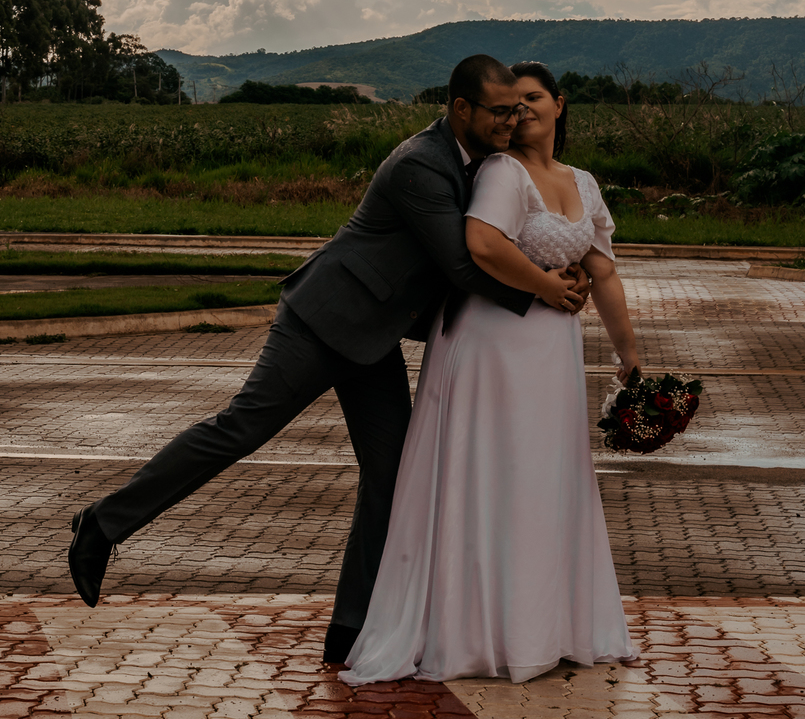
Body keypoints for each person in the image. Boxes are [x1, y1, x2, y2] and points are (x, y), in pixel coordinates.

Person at [66, 54, 591, 665]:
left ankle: (350, 628)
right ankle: (103, 524)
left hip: (374, 339)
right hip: (322, 322)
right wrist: (545, 291)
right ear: (460, 109)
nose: (511, 120)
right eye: (498, 112)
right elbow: (460, 264)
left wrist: (559, 266)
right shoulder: (421, 164)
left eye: (515, 110)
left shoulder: (479, 164)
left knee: (391, 476)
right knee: (239, 429)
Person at [341, 60, 641, 685]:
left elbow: (604, 271)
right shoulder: (503, 172)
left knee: (542, 480)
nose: (521, 109)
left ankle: (542, 626)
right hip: (491, 346)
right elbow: (482, 243)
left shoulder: (582, 183)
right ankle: (477, 631)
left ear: (559, 103)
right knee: (495, 474)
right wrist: (546, 288)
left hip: (553, 353)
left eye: (533, 97)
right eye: (510, 103)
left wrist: (628, 353)